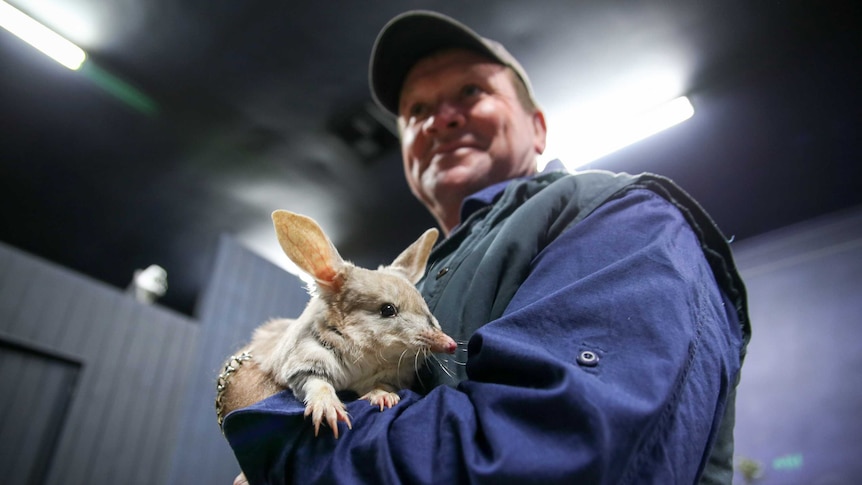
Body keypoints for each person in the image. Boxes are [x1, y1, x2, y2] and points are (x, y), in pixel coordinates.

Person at [223, 10, 750, 485]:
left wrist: (263, 415)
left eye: (472, 92)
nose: (440, 118)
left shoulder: (617, 214)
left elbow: (552, 455)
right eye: (416, 111)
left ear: (538, 127)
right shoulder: (412, 276)